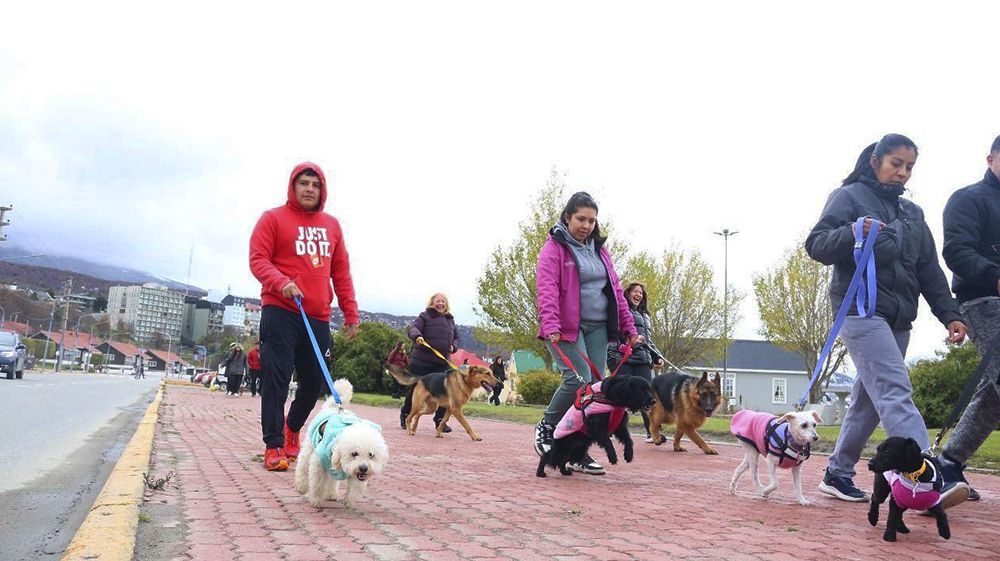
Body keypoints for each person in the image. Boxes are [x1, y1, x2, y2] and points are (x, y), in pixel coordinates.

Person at [805, 134, 968, 503]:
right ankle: (927, 477)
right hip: (860, 311)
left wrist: (949, 313)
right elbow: (816, 245)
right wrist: (851, 231)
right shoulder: (848, 197)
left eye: (909, 167)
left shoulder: (913, 214)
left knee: (867, 401)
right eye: (896, 163)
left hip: (898, 319)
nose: (903, 173)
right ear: (876, 160)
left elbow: (929, 270)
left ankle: (837, 473)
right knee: (895, 390)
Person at [249, 162, 360, 472]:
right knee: (276, 379)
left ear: (322, 190)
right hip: (280, 310)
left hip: (317, 315)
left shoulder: (332, 226)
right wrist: (280, 281)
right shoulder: (272, 219)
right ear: (293, 187)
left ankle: (292, 426)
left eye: (315, 184)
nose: (310, 188)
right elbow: (257, 259)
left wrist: (350, 312)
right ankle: (273, 445)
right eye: (304, 183)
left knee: (313, 382)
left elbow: (340, 272)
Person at [534, 191, 638, 475]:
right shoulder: (554, 248)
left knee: (595, 389)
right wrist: (550, 323)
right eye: (581, 219)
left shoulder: (599, 250)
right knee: (578, 379)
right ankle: (547, 426)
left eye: (592, 220)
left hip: (599, 327)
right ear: (567, 217)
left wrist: (629, 327)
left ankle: (578, 452)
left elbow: (616, 292)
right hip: (567, 328)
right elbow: (547, 289)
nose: (587, 225)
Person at [937, 134, 1000, 505]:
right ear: (991, 158)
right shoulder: (969, 199)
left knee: (993, 394)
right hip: (984, 300)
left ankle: (947, 463)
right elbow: (956, 252)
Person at [608, 282, 664, 442]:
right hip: (624, 357)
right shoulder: (621, 311)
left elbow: (649, 341)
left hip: (642, 359)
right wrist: (629, 339)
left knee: (648, 396)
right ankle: (609, 428)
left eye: (641, 292)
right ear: (628, 293)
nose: (638, 295)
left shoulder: (646, 316)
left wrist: (656, 356)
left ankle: (652, 433)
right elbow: (613, 333)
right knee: (621, 395)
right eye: (635, 291)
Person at [402, 293, 459, 433]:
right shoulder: (425, 316)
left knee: (445, 391)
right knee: (416, 389)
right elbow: (413, 329)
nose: (441, 303)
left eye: (443, 301)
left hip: (442, 362)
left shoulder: (450, 319)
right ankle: (405, 416)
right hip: (422, 361)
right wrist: (418, 336)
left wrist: (453, 346)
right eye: (438, 301)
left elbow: (456, 337)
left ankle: (440, 421)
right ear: (432, 303)